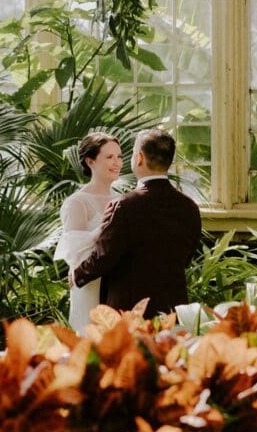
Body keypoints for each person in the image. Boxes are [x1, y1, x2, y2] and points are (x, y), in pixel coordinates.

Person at [72, 129, 202, 318]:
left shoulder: (124, 205)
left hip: (130, 312)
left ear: (139, 157)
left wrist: (78, 274)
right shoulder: (189, 207)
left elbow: (105, 255)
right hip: (173, 310)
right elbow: (187, 256)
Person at [55, 132, 123, 334]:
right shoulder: (78, 202)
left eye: (119, 156)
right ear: (90, 161)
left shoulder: (122, 198)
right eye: (109, 157)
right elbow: (73, 250)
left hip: (118, 283)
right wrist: (103, 230)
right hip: (89, 283)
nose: (117, 163)